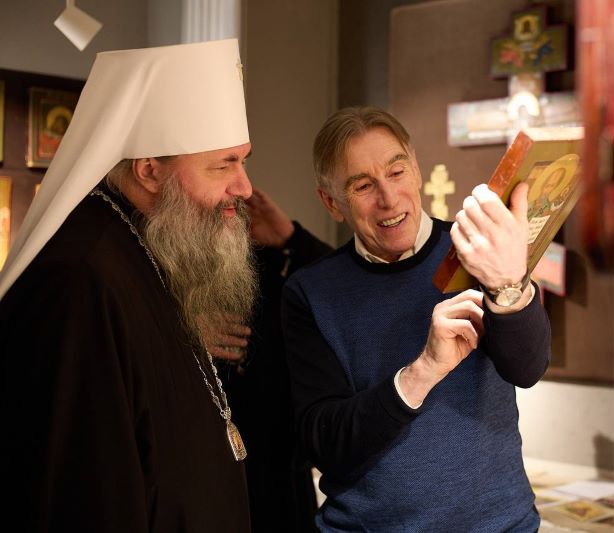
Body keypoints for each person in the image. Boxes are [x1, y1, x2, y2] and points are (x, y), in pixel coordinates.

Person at [0, 40, 255, 532]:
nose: (244, 187)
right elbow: (83, 488)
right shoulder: (79, 276)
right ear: (149, 171)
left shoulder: (154, 245)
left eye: (243, 161)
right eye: (224, 165)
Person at [282, 106, 551, 531]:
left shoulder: (476, 252)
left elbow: (528, 367)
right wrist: (421, 372)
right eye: (363, 185)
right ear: (332, 203)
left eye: (396, 172)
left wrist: (508, 284)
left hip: (500, 524)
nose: (389, 199)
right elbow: (323, 442)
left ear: (417, 170)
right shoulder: (310, 292)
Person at [209, 188, 332, 533]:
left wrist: (291, 238)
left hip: (279, 477)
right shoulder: (160, 270)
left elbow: (337, 291)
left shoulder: (268, 261)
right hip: (208, 476)